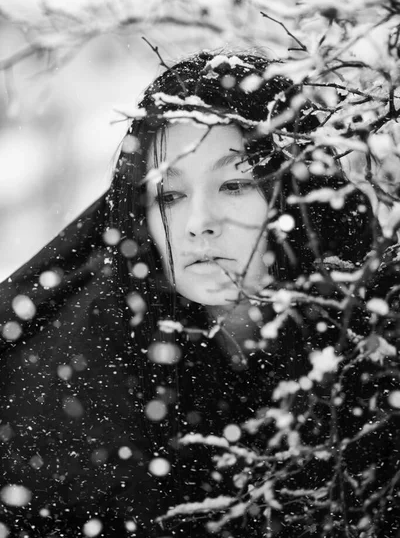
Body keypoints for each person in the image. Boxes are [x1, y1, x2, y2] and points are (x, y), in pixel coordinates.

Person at [0, 51, 397, 538]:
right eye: (169, 195)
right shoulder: (70, 381)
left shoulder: (377, 339)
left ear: (297, 191)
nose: (198, 224)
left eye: (234, 184)